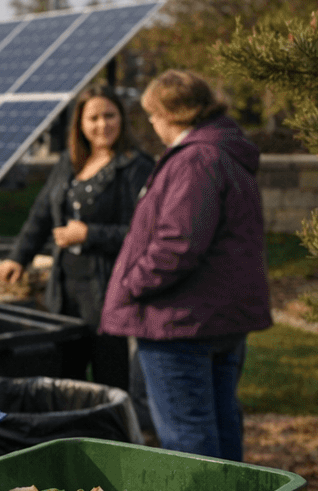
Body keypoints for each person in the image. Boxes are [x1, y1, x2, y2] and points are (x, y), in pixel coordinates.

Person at [101, 70, 271, 460]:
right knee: (222, 427)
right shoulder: (224, 152)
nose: (152, 124)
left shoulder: (195, 159)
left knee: (187, 439)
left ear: (172, 114)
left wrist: (129, 285)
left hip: (180, 323)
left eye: (153, 115)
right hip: (216, 317)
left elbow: (177, 244)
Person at [0, 85, 155, 398]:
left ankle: (110, 441)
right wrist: (18, 256)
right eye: (93, 117)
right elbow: (41, 214)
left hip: (108, 290)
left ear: (122, 118)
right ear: (80, 123)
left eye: (110, 115)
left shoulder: (137, 167)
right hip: (65, 288)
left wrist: (89, 234)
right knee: (66, 374)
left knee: (109, 378)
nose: (102, 125)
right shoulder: (69, 163)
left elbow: (146, 235)